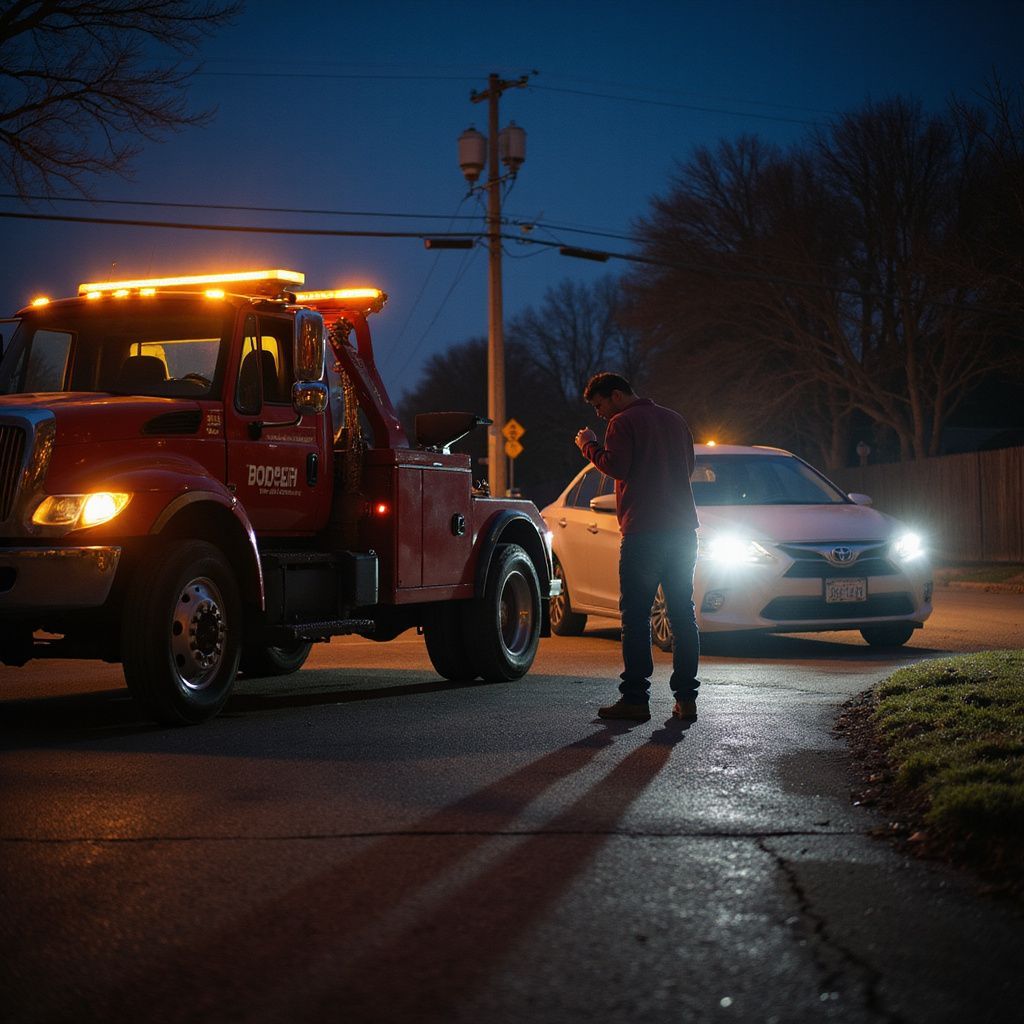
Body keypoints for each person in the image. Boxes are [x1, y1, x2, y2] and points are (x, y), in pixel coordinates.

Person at [574, 372, 700, 722]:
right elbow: (688, 467)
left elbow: (616, 466)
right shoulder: (675, 420)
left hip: (644, 532)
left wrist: (589, 445)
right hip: (683, 531)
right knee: (682, 615)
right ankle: (686, 699)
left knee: (635, 616)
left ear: (616, 395)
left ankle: (635, 699)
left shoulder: (622, 422)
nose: (599, 414)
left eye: (600, 405)